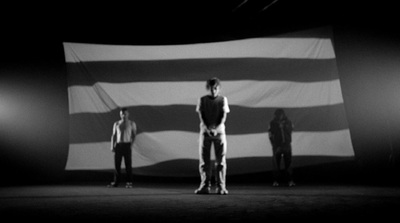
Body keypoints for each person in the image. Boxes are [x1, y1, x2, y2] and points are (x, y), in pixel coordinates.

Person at [195, 77, 230, 195]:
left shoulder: (223, 100)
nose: (213, 91)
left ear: (219, 88)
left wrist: (215, 129)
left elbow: (223, 117)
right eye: (211, 88)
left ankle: (221, 187)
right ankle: (205, 186)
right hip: (205, 133)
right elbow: (202, 116)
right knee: (204, 162)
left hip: (219, 133)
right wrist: (208, 128)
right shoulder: (202, 100)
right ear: (208, 88)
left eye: (215, 88)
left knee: (220, 161)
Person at [108, 107, 137, 188]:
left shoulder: (132, 123)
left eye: (125, 114)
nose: (123, 115)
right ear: (120, 115)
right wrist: (112, 146)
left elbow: (134, 135)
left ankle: (129, 182)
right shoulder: (116, 123)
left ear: (128, 114)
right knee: (117, 165)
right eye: (121, 114)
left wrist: (131, 145)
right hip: (118, 145)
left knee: (128, 165)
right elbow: (113, 136)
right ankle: (116, 182)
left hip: (127, 145)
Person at [268, 108, 295, 187]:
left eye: (281, 115)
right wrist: (274, 145)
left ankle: (290, 180)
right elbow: (270, 134)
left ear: (283, 115)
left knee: (288, 163)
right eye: (278, 115)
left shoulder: (288, 122)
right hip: (277, 146)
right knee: (276, 164)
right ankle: (276, 181)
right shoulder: (272, 123)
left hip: (286, 145)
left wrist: (284, 127)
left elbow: (291, 130)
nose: (279, 116)